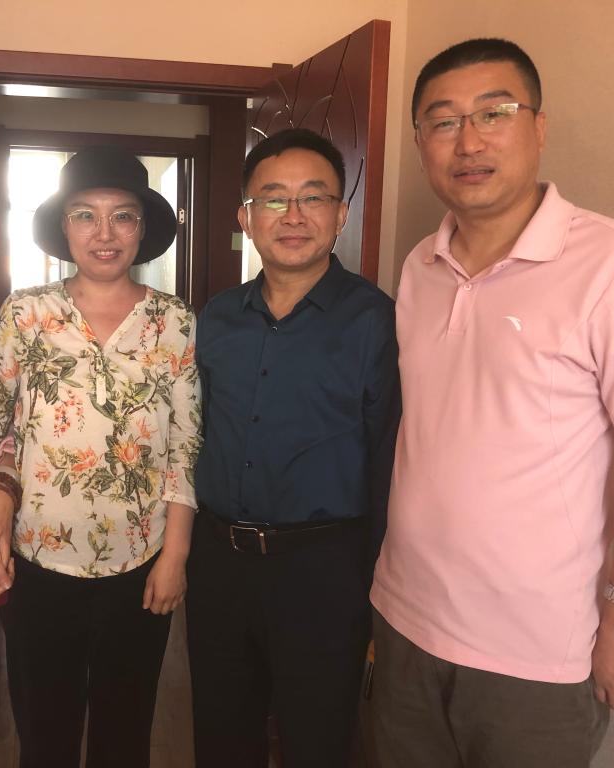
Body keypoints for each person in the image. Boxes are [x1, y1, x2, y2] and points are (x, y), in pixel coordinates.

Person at [369, 38, 614, 767]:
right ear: (421, 143)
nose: (469, 141)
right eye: (443, 122)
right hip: (404, 618)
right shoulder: (421, 266)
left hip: (536, 652)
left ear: (539, 127)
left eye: (494, 113)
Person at [0, 145, 202, 768]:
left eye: (122, 216)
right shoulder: (25, 314)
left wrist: (175, 556)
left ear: (142, 229)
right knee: (45, 737)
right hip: (38, 562)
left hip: (141, 562)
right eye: (85, 215)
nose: (104, 233)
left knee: (125, 736)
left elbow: (184, 445)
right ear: (64, 226)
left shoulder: (174, 321)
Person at [187, 128, 400, 767]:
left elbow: (390, 461)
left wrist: (379, 585)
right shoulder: (216, 319)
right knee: (221, 734)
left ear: (341, 214)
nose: (294, 215)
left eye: (313, 197)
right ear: (246, 218)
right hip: (219, 562)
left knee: (318, 738)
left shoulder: (377, 321)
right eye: (274, 199)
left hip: (324, 570)